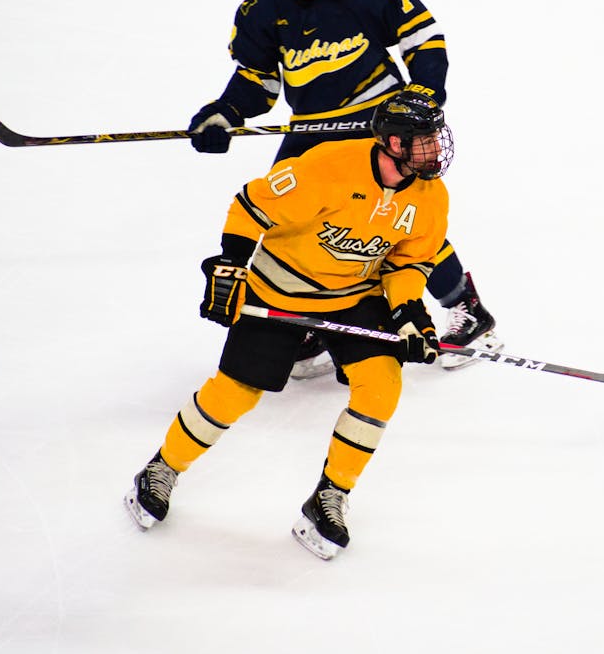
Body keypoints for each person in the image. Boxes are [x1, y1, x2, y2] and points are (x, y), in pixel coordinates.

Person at [125, 92, 453, 560]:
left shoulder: (430, 196)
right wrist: (231, 264)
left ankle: (329, 497)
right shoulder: (325, 166)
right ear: (394, 142)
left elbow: (409, 261)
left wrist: (409, 314)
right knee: (236, 391)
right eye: (424, 141)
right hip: (280, 290)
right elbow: (249, 206)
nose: (436, 149)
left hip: (352, 296)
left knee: (381, 385)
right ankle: (163, 468)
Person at [186, 0, 499, 376]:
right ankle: (317, 319)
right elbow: (258, 80)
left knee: (403, 216)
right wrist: (227, 111)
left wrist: (424, 94)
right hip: (315, 128)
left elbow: (426, 42)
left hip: (384, 121)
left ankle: (466, 310)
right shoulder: (262, 9)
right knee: (287, 216)